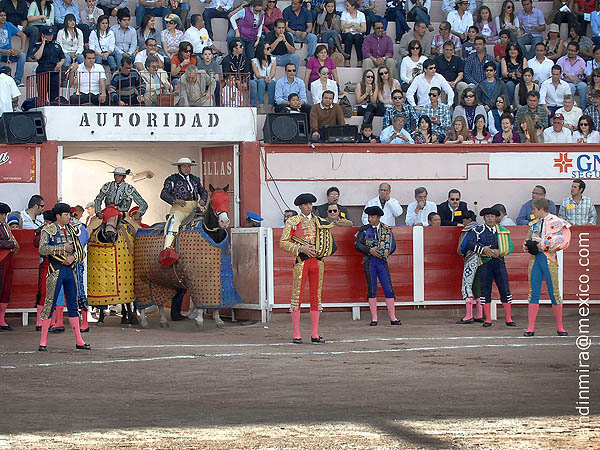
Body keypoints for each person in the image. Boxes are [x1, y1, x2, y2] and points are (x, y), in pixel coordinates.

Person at [280, 192, 336, 344]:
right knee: (297, 296)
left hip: (317, 262)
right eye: (305, 204)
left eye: (310, 204)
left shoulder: (320, 221)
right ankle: (297, 334)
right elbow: (283, 242)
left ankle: (315, 334)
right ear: (299, 206)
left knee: (316, 297)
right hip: (302, 261)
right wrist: (300, 249)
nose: (308, 207)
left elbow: (328, 241)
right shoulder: (293, 221)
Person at [37, 202, 90, 351]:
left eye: (68, 214)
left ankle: (79, 341)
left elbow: (81, 251)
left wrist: (73, 258)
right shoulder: (48, 230)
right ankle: (43, 342)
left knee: (73, 305)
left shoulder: (72, 230)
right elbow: (42, 249)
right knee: (49, 304)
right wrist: (62, 248)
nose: (68, 217)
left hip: (70, 270)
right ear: (58, 216)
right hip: (55, 270)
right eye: (66, 214)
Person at [523, 198, 571, 337]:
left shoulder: (557, 222)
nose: (532, 212)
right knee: (533, 293)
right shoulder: (534, 224)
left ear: (541, 209)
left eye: (534, 210)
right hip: (535, 259)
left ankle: (560, 327)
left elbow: (561, 240)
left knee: (554, 293)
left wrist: (541, 243)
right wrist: (528, 246)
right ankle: (530, 328)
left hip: (548, 259)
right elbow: (526, 242)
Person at [464, 207, 515, 327]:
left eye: (492, 216)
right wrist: (483, 249)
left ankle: (508, 319)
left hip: (499, 262)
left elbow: (510, 246)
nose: (490, 218)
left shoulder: (502, 231)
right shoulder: (478, 230)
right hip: (485, 263)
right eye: (487, 217)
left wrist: (500, 251)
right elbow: (469, 243)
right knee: (485, 291)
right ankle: (488, 320)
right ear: (484, 218)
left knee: (505, 290)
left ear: (496, 218)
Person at [355, 205, 401, 327]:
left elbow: (393, 246)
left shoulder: (387, 229)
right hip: (370, 261)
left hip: (381, 261)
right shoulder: (364, 229)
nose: (370, 219)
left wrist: (385, 253)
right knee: (372, 289)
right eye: (369, 216)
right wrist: (369, 250)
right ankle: (374, 318)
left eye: (373, 217)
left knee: (388, 288)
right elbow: (358, 245)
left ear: (379, 217)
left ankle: (393, 317)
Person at [160, 157, 208, 250]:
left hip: (195, 209)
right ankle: (167, 248)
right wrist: (175, 200)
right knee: (173, 223)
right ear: (179, 168)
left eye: (189, 166)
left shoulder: (195, 179)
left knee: (210, 219)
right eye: (184, 166)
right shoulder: (172, 179)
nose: (187, 169)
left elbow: (203, 191)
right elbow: (163, 194)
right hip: (179, 209)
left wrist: (203, 200)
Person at [94, 167, 148, 242]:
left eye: (119, 176)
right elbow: (98, 199)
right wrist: (98, 212)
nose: (117, 177)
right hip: (106, 214)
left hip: (123, 215)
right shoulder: (107, 186)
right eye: (116, 175)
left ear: (124, 177)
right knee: (89, 229)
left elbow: (143, 204)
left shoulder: (128, 188)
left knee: (140, 234)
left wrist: (139, 213)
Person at [456, 208, 483, 324]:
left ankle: (469, 315)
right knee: (478, 285)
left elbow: (463, 246)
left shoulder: (468, 229)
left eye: (464, 220)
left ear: (469, 219)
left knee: (467, 285)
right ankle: (480, 314)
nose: (463, 222)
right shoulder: (482, 229)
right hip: (482, 259)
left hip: (471, 258)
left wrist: (462, 253)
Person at [33, 25, 65, 102]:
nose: (51, 36)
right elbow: (37, 57)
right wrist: (43, 43)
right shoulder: (38, 45)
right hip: (42, 69)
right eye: (48, 35)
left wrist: (60, 64)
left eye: (51, 34)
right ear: (43, 35)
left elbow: (62, 57)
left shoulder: (56, 45)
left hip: (54, 70)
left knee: (54, 95)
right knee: (42, 95)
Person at [0, 202, 18, 330]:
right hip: (1, 259)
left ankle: (1, 320)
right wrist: (11, 244)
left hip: (7, 260)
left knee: (5, 289)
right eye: (1, 214)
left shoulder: (5, 226)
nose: (3, 216)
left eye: (5, 214)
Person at [558, 42, 588, 111]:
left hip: (578, 82)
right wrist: (567, 76)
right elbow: (558, 73)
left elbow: (584, 76)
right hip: (566, 82)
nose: (570, 52)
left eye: (573, 51)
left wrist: (581, 74)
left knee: (583, 86)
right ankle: (569, 108)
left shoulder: (581, 61)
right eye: (569, 50)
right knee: (570, 87)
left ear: (577, 52)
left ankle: (583, 109)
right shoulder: (561, 60)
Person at [0, 8, 25, 86]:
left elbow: (23, 35)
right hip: (1, 52)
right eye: (1, 16)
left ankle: (17, 80)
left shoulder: (9, 25)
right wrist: (4, 51)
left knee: (22, 55)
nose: (3, 17)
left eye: (5, 15)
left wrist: (21, 49)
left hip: (9, 52)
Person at [340, 0, 365, 67]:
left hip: (357, 34)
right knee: (349, 36)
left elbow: (364, 29)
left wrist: (350, 28)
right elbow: (342, 27)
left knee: (358, 37)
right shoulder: (344, 13)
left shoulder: (361, 14)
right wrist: (353, 24)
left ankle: (360, 60)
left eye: (347, 6)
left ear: (353, 7)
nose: (346, 7)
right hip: (347, 34)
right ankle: (347, 60)